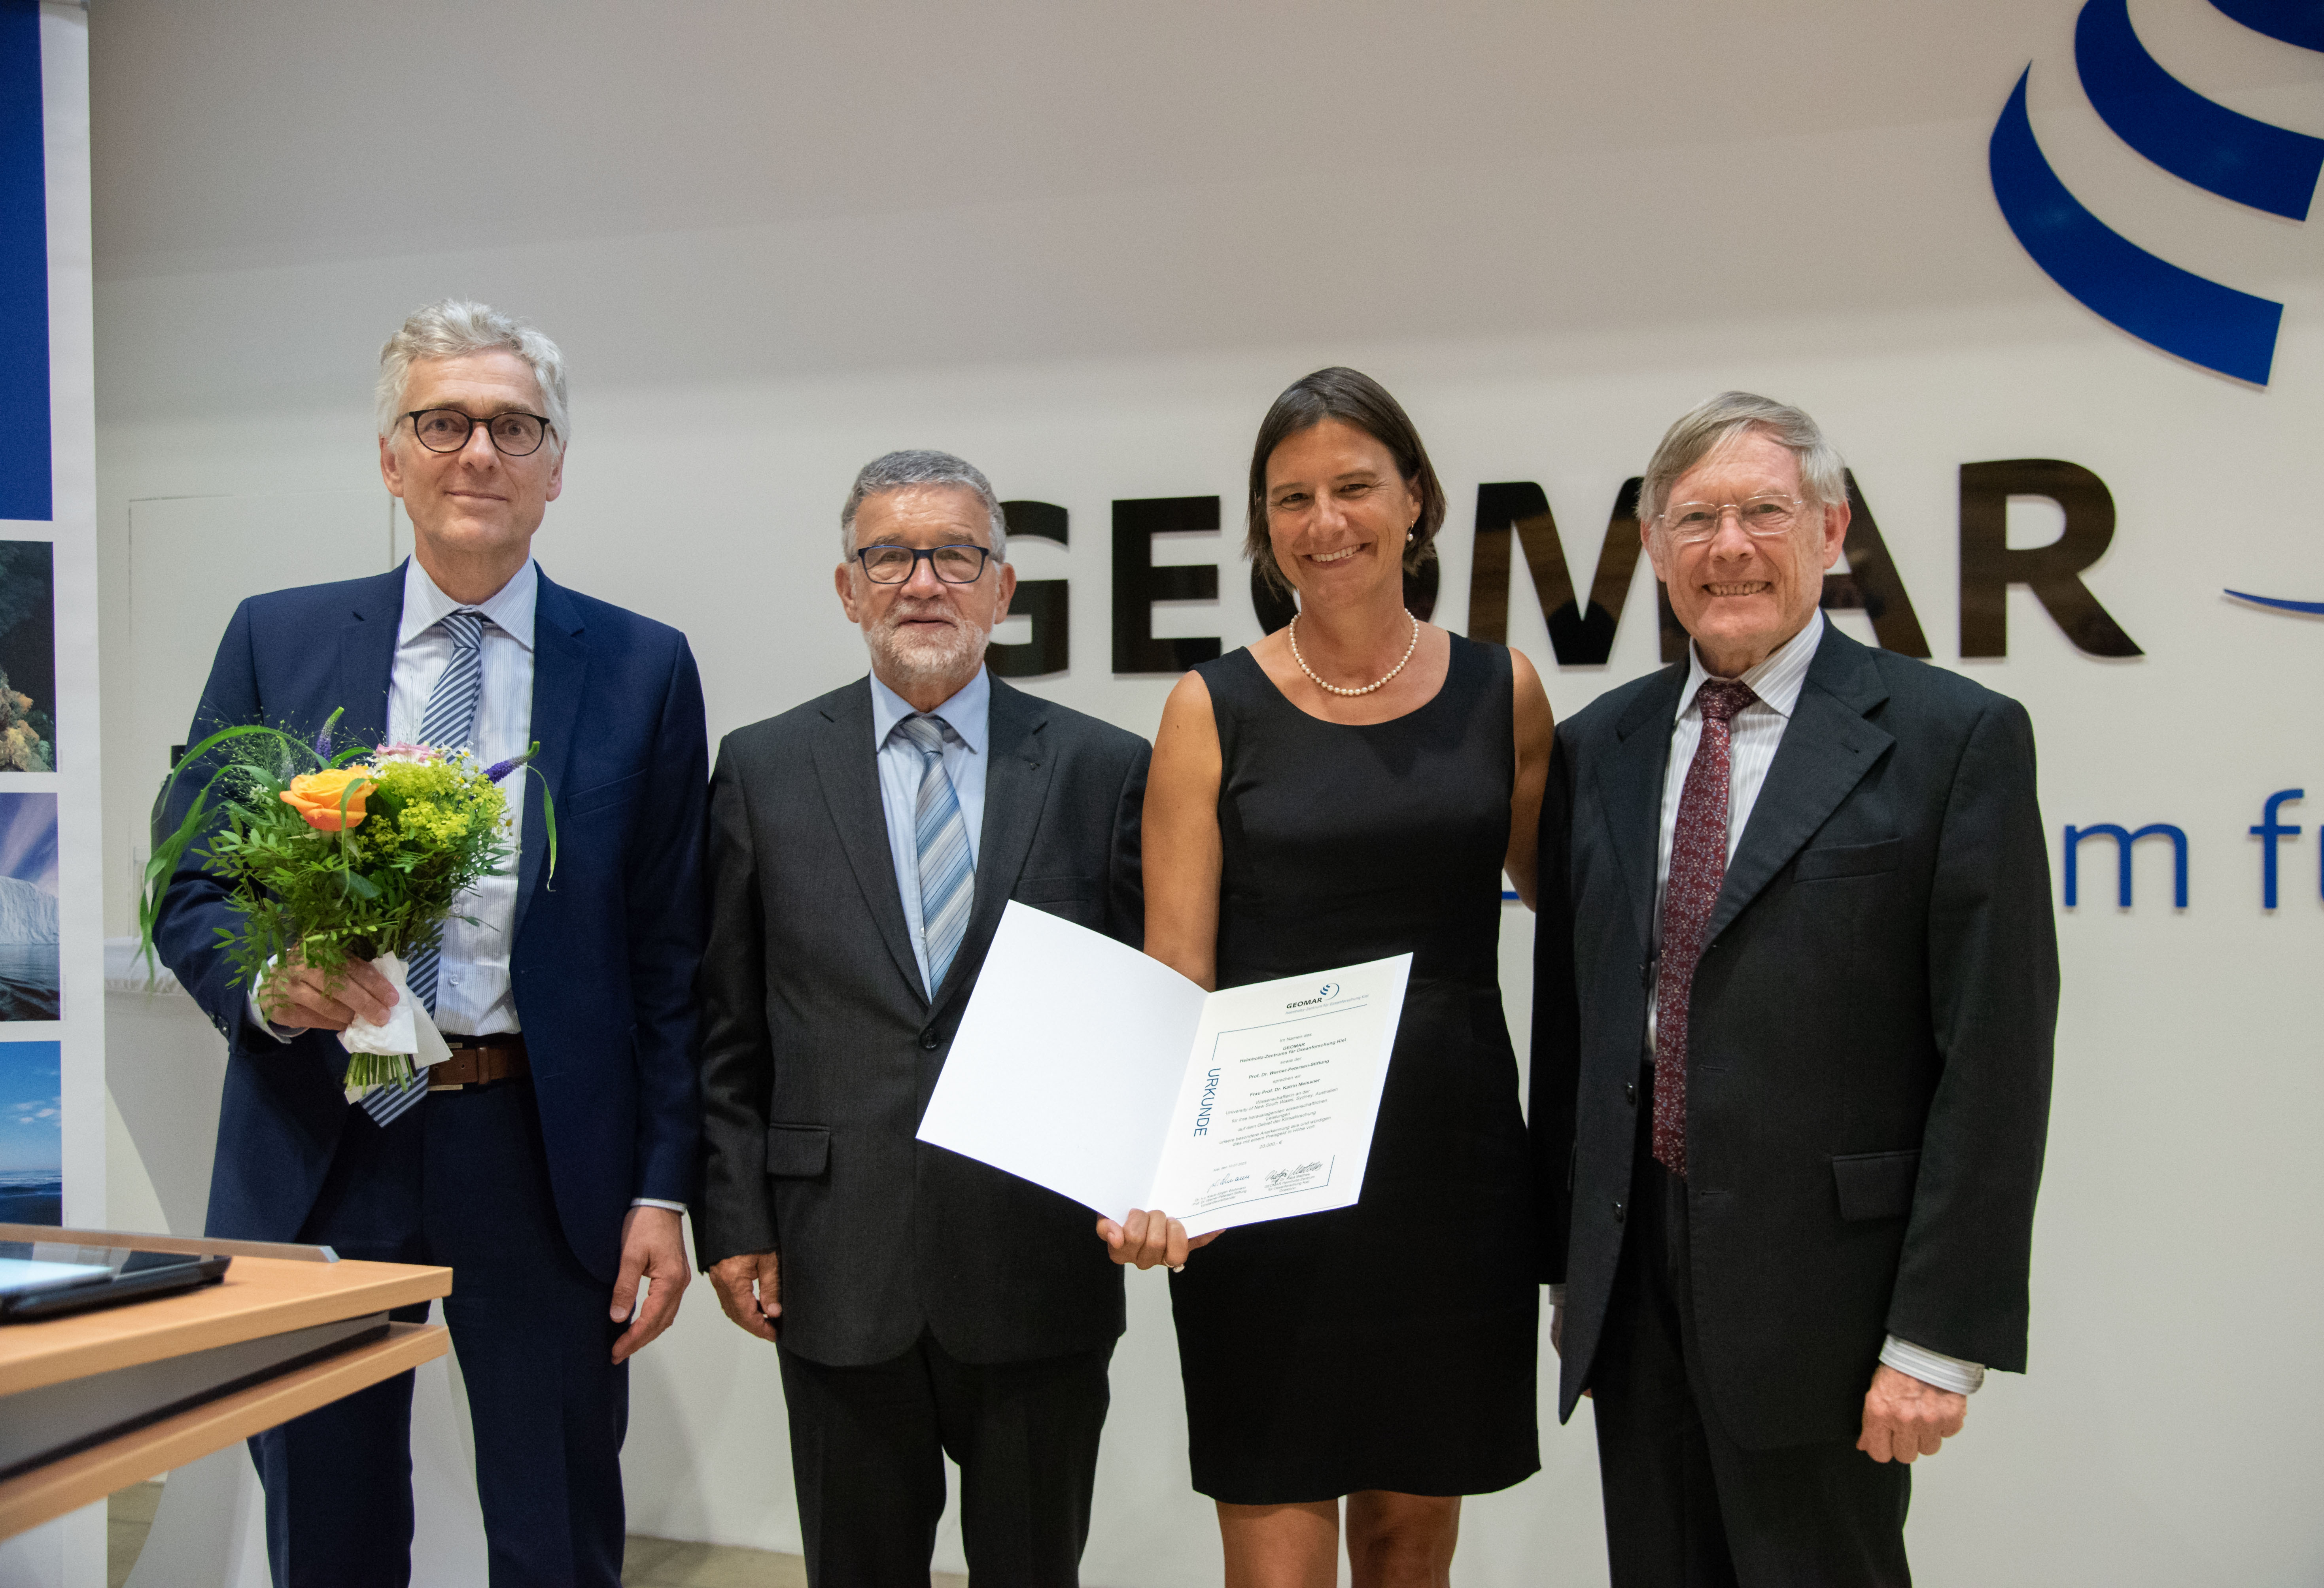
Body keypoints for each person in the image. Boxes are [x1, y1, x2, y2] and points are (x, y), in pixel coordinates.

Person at [151, 301, 710, 1587]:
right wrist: (268, 985)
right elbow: (192, 880)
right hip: (327, 1137)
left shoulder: (643, 667)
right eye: (443, 422)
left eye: (516, 427)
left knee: (556, 1535)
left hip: (543, 1154)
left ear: (556, 466)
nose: (480, 453)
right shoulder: (278, 639)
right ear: (390, 457)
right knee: (329, 1533)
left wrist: (662, 1189)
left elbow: (672, 956)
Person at [1530, 391, 2057, 1586]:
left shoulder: (1952, 739)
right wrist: (1575, 1272)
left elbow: (1996, 1057)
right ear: (1655, 549)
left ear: (1831, 530)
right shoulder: (1599, 746)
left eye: (1763, 512)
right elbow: (1578, 1022)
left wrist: (1938, 1337)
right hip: (1635, 1291)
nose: (1729, 547)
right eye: (1696, 519)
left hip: (1833, 1302)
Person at [1108, 367, 1554, 1588]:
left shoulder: (1504, 692)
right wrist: (1151, 1173)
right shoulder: (1211, 708)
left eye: (1354, 487)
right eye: (1291, 498)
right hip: (1267, 1176)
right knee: (1277, 1538)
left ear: (1416, 499)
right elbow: (1176, 967)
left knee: (1412, 1550)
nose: (1326, 522)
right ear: (1264, 526)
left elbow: (1574, 908)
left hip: (1449, 1169)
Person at [696, 450, 1151, 1588]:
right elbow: (728, 1023)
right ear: (848, 589)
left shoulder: (1103, 769)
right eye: (890, 556)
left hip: (1037, 1261)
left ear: (1003, 588)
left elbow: (1149, 1012)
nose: (923, 582)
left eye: (956, 554)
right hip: (834, 1261)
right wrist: (736, 1219)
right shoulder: (763, 769)